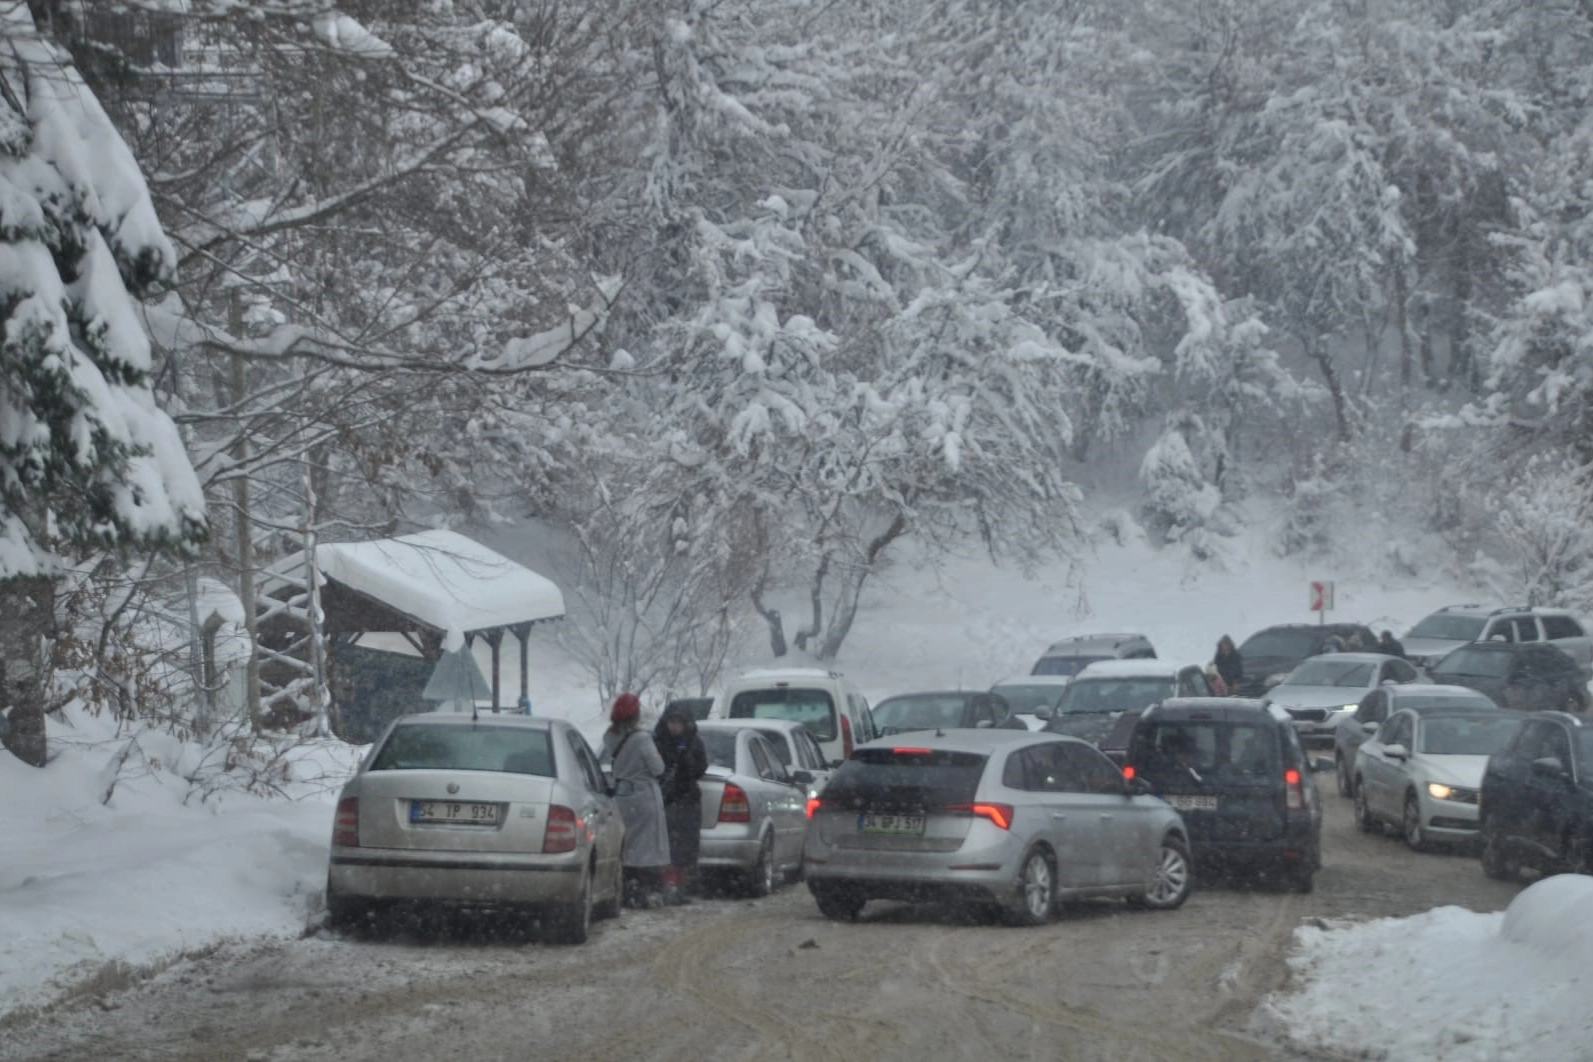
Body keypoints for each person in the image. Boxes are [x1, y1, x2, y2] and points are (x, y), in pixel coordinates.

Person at [601, 693, 670, 908]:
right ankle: (642, 890)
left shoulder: (610, 737)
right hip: (644, 796)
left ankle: (625, 886)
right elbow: (657, 768)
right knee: (647, 847)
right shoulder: (642, 739)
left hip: (622, 796)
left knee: (627, 843)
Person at [653, 705, 708, 904]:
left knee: (684, 848)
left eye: (678, 723)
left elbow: (701, 767)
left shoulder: (694, 743)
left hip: (687, 798)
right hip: (667, 800)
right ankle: (668, 885)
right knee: (667, 846)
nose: (674, 727)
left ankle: (680, 886)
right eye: (671, 722)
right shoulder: (658, 742)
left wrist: (687, 763)